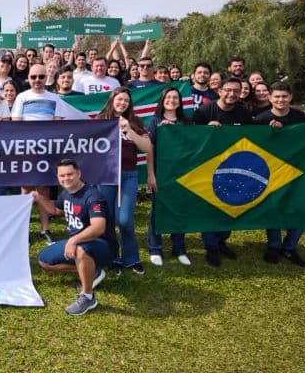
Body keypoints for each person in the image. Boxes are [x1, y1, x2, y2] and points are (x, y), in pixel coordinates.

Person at [254, 82, 305, 266]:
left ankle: (290, 247)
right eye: (276, 96)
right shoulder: (261, 119)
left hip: (299, 169)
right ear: (269, 98)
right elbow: (255, 147)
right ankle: (274, 246)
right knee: (273, 207)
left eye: (284, 96)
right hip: (272, 171)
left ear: (291, 97)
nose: (280, 100)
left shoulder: (300, 117)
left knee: (301, 206)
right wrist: (270, 133)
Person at [33, 159, 115, 316]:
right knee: (44, 260)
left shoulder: (93, 196)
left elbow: (98, 228)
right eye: (62, 176)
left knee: (80, 250)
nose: (66, 179)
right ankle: (94, 272)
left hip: (103, 246)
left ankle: (87, 297)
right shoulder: (66, 193)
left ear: (79, 173)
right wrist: (38, 197)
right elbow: (55, 210)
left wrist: (73, 240)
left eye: (70, 174)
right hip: (78, 243)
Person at [193, 77, 253, 266]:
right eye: (228, 90)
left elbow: (252, 139)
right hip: (208, 168)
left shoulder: (244, 114)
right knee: (209, 208)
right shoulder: (204, 111)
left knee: (230, 206)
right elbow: (191, 139)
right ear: (220, 90)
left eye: (236, 91)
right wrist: (205, 130)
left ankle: (221, 241)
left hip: (234, 168)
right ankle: (211, 247)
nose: (232, 94)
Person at [97, 87, 155, 275]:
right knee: (108, 219)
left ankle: (131, 258)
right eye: (119, 99)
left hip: (128, 175)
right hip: (106, 176)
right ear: (112, 99)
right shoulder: (100, 120)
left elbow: (147, 147)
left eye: (126, 101)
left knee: (125, 220)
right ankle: (112, 258)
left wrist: (128, 129)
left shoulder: (135, 121)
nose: (122, 103)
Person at [12, 64, 65, 243]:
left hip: (47, 151)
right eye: (33, 77)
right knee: (26, 190)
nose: (37, 80)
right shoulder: (22, 97)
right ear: (28, 77)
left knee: (44, 190)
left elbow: (58, 124)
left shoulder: (55, 98)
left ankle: (45, 229)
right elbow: (16, 124)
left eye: (41, 77)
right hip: (26, 151)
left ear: (46, 78)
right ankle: (23, 230)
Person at [145, 87, 191, 266]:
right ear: (163, 100)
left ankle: (179, 248)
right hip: (161, 173)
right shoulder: (155, 121)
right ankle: (155, 248)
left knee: (179, 210)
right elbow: (149, 150)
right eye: (168, 97)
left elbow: (192, 146)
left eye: (175, 97)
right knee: (158, 210)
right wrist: (151, 175)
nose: (172, 100)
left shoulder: (186, 122)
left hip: (181, 174)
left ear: (180, 101)